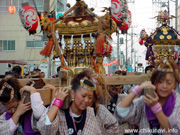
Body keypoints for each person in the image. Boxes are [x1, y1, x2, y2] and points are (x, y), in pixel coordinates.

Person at [115, 59, 180, 135]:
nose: (164, 86)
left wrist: (155, 107)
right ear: (154, 82)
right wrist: (138, 89)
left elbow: (172, 131)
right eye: (160, 82)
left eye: (169, 83)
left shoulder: (177, 103)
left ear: (174, 84)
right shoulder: (145, 100)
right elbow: (121, 110)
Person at [36, 71, 101, 135]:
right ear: (73, 94)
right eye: (83, 96)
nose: (87, 100)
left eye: (90, 97)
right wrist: (58, 101)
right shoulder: (60, 112)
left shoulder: (90, 112)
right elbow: (45, 128)